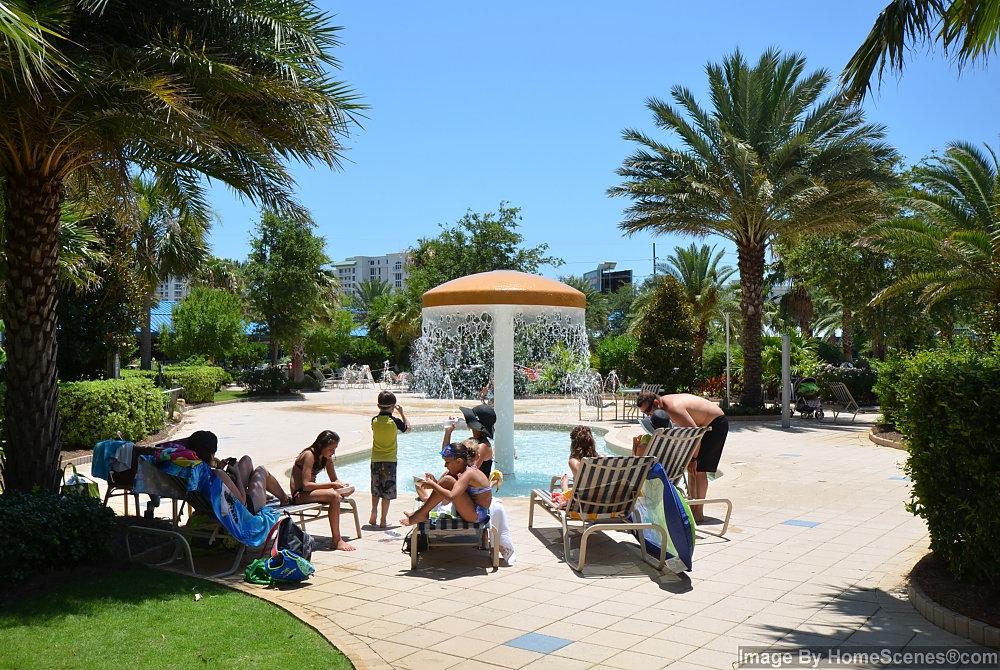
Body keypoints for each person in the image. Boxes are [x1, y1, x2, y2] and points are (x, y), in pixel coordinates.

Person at [636, 392, 729, 522]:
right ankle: (693, 508)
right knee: (692, 471)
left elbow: (694, 433)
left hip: (715, 424)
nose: (648, 415)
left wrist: (693, 459)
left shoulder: (673, 408)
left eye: (647, 411)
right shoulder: (664, 405)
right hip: (703, 427)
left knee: (700, 470)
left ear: (656, 403)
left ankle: (699, 513)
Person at [187, 430, 290, 513]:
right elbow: (243, 502)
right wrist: (236, 474)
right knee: (261, 471)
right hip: (243, 512)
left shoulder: (193, 472)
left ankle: (261, 494)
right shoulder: (218, 474)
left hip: (217, 507)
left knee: (246, 460)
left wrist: (220, 468)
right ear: (211, 454)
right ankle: (284, 499)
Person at [290, 430, 357, 551]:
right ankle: (337, 540)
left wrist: (342, 486)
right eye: (331, 449)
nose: (333, 452)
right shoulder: (309, 455)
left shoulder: (327, 456)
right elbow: (305, 485)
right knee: (334, 496)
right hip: (299, 494)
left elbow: (335, 479)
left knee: (341, 492)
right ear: (321, 445)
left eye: (334, 449)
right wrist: (332, 486)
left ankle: (337, 539)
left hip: (309, 492)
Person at [400, 442, 492, 526]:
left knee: (447, 480)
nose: (445, 465)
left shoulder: (468, 473)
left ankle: (420, 514)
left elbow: (451, 496)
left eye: (447, 462)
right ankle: (420, 513)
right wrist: (436, 482)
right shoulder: (465, 470)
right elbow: (450, 490)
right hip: (471, 508)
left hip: (477, 515)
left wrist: (433, 485)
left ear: (459, 461)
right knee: (447, 478)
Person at [370, 390, 410, 529]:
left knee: (376, 488)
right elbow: (408, 429)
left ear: (378, 405)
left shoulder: (374, 420)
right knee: (387, 491)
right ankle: (383, 520)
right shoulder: (395, 421)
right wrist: (402, 413)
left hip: (375, 459)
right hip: (389, 461)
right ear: (393, 406)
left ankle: (373, 512)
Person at [552, 425, 599, 508]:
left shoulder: (574, 462)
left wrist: (564, 486)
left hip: (584, 509)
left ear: (574, 444)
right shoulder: (602, 458)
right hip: (606, 506)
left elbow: (585, 490)